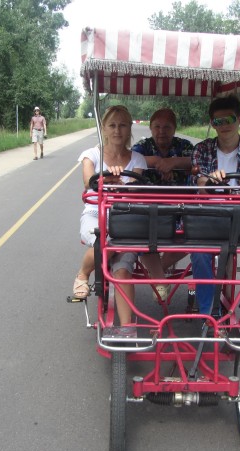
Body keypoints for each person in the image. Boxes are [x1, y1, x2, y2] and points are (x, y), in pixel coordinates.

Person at [190, 94, 240, 322]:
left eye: (229, 119)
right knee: (198, 253)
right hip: (209, 217)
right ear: (211, 124)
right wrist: (210, 181)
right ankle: (209, 310)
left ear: (239, 119)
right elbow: (198, 186)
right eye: (217, 121)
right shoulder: (202, 150)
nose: (224, 126)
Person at [72, 105, 147, 327]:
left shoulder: (138, 159)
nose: (117, 130)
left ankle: (126, 329)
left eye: (122, 125)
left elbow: (134, 186)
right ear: (104, 128)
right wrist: (104, 180)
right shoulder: (91, 155)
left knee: (123, 268)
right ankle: (83, 273)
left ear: (129, 128)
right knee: (104, 242)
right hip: (97, 213)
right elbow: (89, 181)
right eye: (112, 125)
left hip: (126, 216)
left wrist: (121, 185)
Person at [132, 108, 193, 300]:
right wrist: (160, 161)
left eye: (167, 127)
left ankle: (158, 267)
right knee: (137, 234)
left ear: (174, 129)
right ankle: (159, 277)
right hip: (148, 208)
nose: (161, 131)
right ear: (150, 128)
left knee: (193, 237)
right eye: (157, 126)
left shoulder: (184, 145)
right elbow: (133, 159)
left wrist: (173, 162)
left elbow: (194, 160)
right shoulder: (143, 146)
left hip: (180, 207)